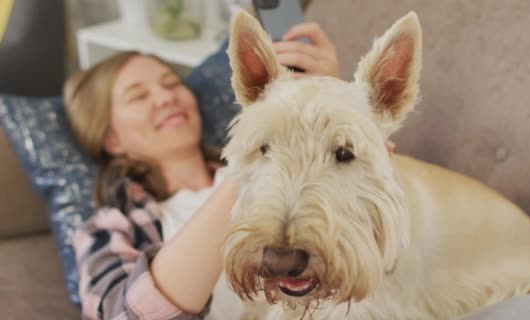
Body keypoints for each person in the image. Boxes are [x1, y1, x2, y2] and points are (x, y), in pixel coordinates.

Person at [66, 16, 394, 320]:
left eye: (170, 83)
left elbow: (391, 253)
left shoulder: (312, 180)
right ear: (110, 138)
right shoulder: (108, 228)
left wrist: (332, 113)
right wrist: (256, 158)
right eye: (138, 96)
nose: (165, 98)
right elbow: (121, 314)